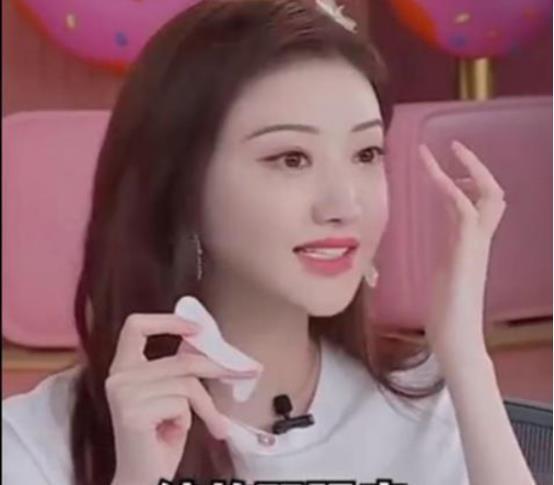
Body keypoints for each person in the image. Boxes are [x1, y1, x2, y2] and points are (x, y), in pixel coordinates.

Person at [2, 1, 534, 484]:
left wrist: (465, 358)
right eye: (291, 159)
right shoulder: (36, 442)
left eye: (366, 154)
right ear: (181, 186)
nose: (344, 204)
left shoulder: (431, 397)